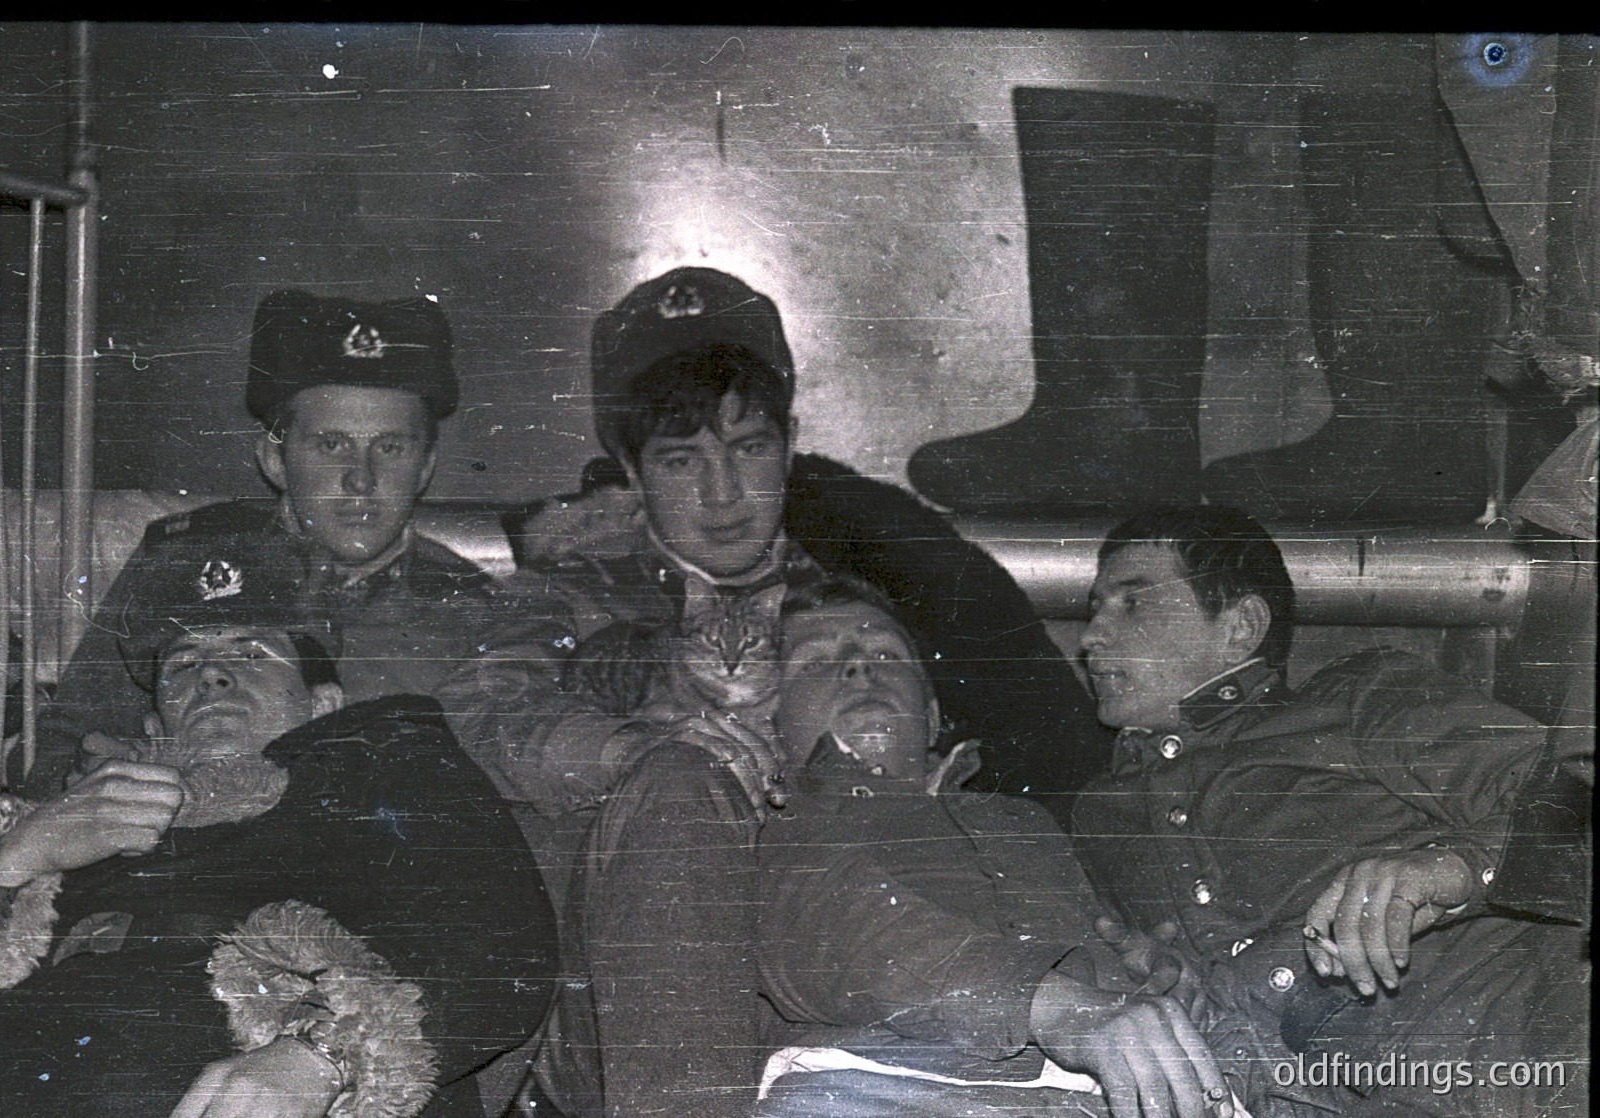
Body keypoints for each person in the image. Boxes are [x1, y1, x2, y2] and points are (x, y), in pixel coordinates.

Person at [534, 573, 1233, 1118]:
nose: (859, 669)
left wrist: (1167, 974)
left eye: (883, 653)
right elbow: (810, 913)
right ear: (766, 714)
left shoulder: (1032, 825)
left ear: (932, 712)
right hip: (873, 1088)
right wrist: (1048, 1003)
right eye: (817, 662)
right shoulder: (755, 807)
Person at [441, 266, 1101, 838]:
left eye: (748, 450)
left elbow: (1044, 752)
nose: (722, 495)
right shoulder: (568, 591)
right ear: (631, 471)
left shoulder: (883, 579)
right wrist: (630, 748)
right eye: (680, 461)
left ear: (790, 444)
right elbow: (484, 710)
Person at [0, 534, 556, 1117]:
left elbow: (495, 945)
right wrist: (12, 860)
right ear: (156, 725)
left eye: (252, 652)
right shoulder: (74, 816)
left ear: (324, 704)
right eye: (183, 663)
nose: (212, 673)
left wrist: (323, 1058)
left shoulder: (383, 757)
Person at [1069, 505, 1587, 1118]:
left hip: (1533, 1031)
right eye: (1094, 608)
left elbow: (1576, 801)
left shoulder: (1361, 696)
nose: (1090, 636)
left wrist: (1448, 871)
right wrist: (1185, 991)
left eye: (1133, 603)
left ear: (1241, 626)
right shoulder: (1096, 815)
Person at [25, 289, 551, 798]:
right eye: (331, 444)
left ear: (426, 468)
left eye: (390, 447)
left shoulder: (470, 605)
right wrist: (87, 776)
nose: (361, 480)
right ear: (275, 460)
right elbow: (67, 745)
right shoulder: (191, 557)